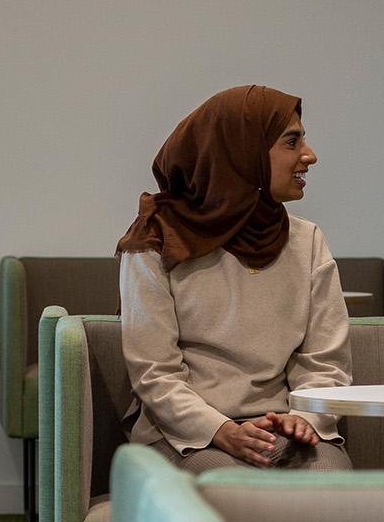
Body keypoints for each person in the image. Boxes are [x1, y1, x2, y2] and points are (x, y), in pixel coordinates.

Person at [115, 85, 353, 472]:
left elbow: (326, 362)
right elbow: (154, 373)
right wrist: (221, 430)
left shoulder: (307, 240)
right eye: (292, 142)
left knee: (331, 484)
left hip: (286, 428)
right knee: (234, 490)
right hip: (187, 435)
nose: (310, 155)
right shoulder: (155, 242)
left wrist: (304, 419)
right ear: (242, 154)